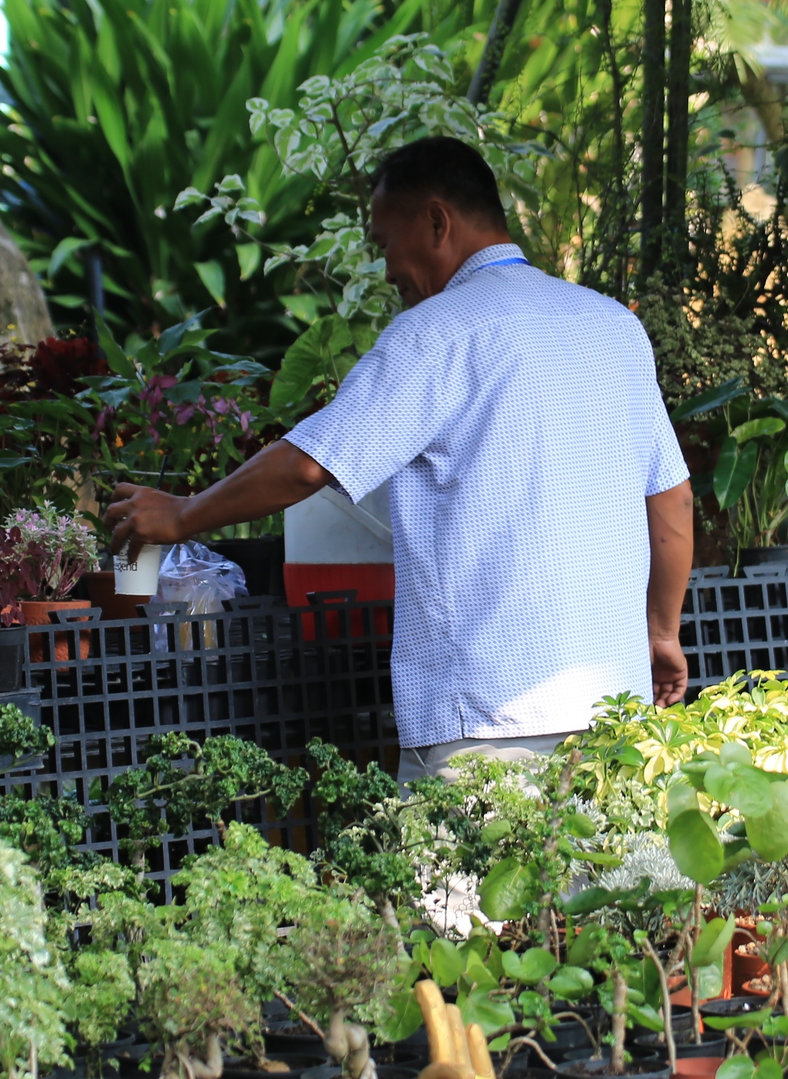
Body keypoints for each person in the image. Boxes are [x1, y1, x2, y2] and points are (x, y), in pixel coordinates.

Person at [105, 136, 693, 782]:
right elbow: (671, 500)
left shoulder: (434, 334)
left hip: (484, 725)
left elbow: (310, 463)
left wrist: (183, 514)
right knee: (607, 885)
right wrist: (660, 632)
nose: (386, 270)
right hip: (614, 718)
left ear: (437, 221)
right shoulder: (612, 326)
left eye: (386, 242)